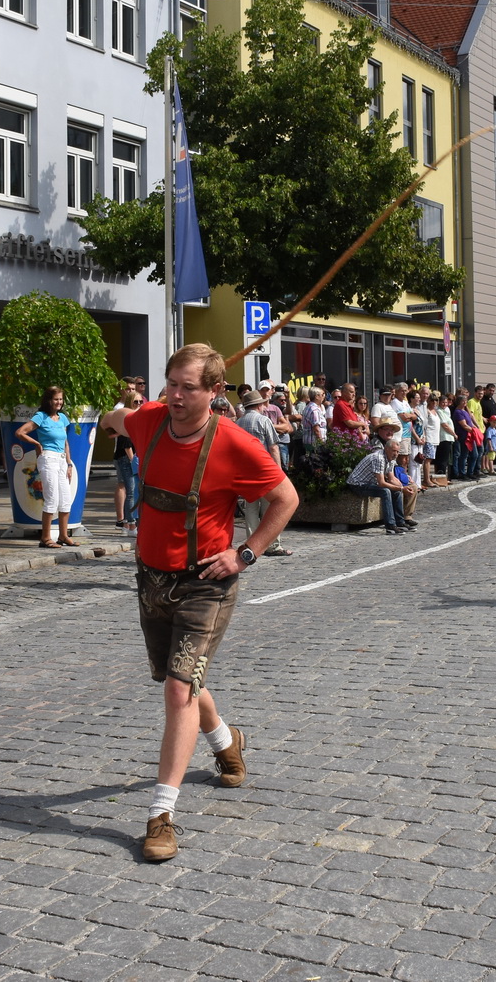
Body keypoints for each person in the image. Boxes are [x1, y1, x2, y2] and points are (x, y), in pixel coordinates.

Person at [101, 343, 296, 863]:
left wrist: (246, 554)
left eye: (189, 387)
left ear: (215, 392)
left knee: (178, 688)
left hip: (207, 580)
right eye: (171, 384)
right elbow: (113, 419)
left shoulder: (234, 443)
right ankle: (226, 741)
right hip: (151, 577)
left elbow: (286, 499)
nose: (177, 396)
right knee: (180, 678)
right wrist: (113, 410)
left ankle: (161, 815)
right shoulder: (150, 421)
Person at [16, 386, 78, 549]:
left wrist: (69, 464)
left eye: (61, 399)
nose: (59, 402)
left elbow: (65, 443)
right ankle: (45, 538)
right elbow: (20, 432)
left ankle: (63, 535)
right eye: (56, 399)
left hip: (62, 460)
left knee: (65, 499)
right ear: (48, 400)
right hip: (48, 458)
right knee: (52, 498)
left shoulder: (63, 418)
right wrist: (36, 443)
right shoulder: (40, 417)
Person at [236, 388, 291, 556]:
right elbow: (274, 447)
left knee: (251, 509)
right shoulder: (264, 420)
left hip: (246, 470)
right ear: (259, 405)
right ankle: (272, 545)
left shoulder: (238, 423)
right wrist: (279, 471)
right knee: (270, 507)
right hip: (264, 469)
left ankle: (253, 546)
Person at [103, 390, 142, 536]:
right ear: (129, 403)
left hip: (132, 457)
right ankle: (130, 525)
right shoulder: (127, 417)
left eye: (140, 402)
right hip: (126, 457)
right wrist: (133, 460)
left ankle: (129, 523)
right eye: (135, 402)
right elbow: (126, 443)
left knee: (132, 492)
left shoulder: (136, 417)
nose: (138, 405)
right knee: (131, 492)